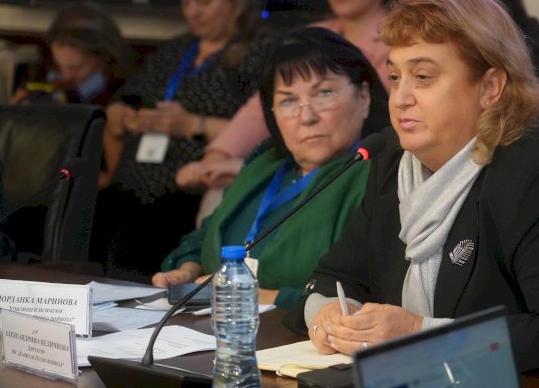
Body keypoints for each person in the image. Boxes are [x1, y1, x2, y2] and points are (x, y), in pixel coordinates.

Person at [298, 0, 539, 388]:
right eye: (394, 77)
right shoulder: (392, 160)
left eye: (423, 77)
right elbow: (332, 278)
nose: (401, 99)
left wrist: (416, 333)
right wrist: (329, 317)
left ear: (490, 87)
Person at [152, 27, 389, 309]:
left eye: (324, 93)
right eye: (288, 100)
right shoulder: (265, 162)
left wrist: (252, 294)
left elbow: (363, 294)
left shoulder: (377, 173)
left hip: (300, 333)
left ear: (363, 97)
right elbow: (209, 232)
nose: (306, 116)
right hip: (216, 323)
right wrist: (187, 270)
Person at [89, 0, 272, 281]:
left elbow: (264, 130)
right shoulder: (175, 49)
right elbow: (121, 102)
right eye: (186, 1)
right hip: (130, 187)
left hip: (189, 193)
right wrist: (127, 118)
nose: (193, 12)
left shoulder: (261, 53)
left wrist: (190, 125)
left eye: (204, 1)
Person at [175, 0, 401, 191]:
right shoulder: (311, 35)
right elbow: (260, 109)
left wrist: (247, 169)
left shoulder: (401, 41)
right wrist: (216, 157)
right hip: (295, 167)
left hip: (361, 176)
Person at [11, 0, 132, 107]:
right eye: (59, 66)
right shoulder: (41, 73)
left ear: (104, 59)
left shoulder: (126, 95)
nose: (66, 76)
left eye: (76, 67)